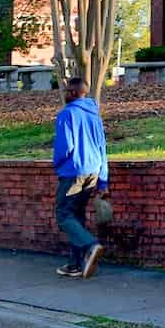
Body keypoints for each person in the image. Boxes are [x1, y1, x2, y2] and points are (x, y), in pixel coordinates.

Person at [52, 76, 109, 278]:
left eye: (68, 90)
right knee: (77, 216)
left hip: (73, 171)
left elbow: (64, 147)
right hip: (93, 171)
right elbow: (102, 148)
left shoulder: (67, 114)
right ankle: (75, 264)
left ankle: (91, 245)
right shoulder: (95, 116)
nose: (65, 93)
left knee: (63, 214)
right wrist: (103, 180)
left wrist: (57, 164)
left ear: (74, 93)